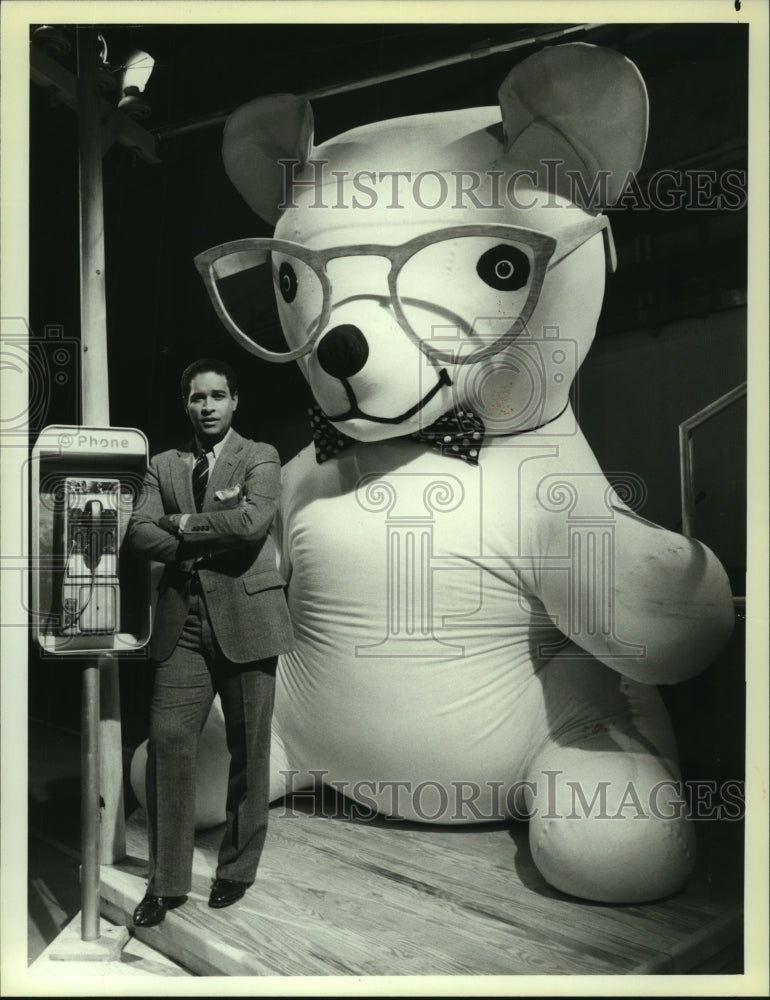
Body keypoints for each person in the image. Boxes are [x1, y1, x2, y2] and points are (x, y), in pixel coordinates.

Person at [127, 357, 294, 927]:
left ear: (235, 401)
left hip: (249, 622)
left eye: (218, 396)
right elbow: (138, 532)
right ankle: (167, 883)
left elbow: (252, 525)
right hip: (184, 625)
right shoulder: (163, 465)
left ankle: (236, 871)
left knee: (250, 755)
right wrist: (187, 531)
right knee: (168, 745)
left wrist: (181, 525)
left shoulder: (260, 456)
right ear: (186, 404)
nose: (208, 406)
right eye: (198, 397)